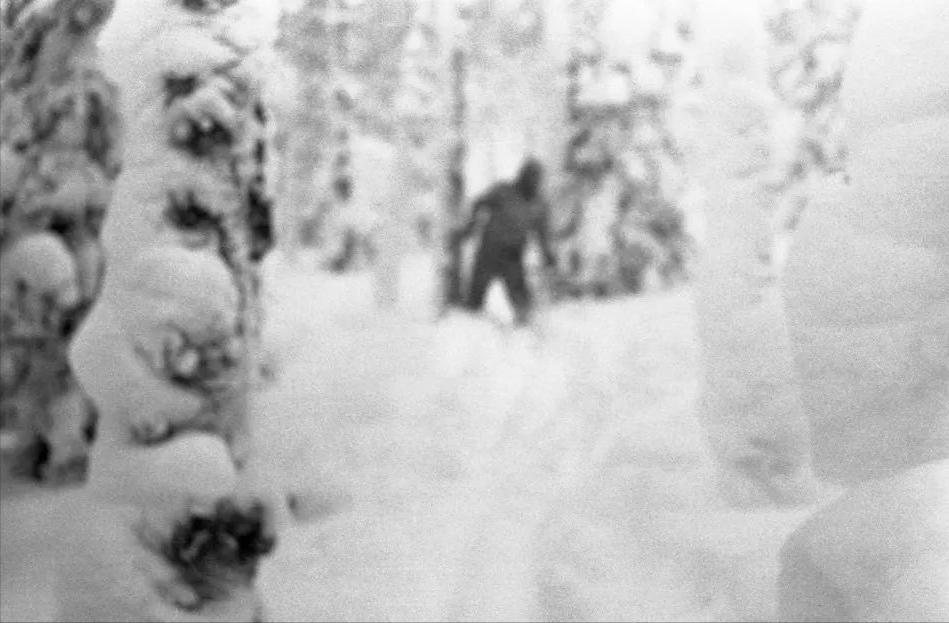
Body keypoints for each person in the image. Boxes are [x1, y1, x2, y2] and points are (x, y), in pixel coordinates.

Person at [453, 158, 556, 325]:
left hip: (513, 255)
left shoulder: (539, 204)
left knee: (522, 302)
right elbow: (479, 203)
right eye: (530, 177)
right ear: (522, 176)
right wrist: (470, 228)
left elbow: (542, 233)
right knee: (474, 299)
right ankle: (467, 329)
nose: (533, 182)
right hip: (490, 250)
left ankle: (525, 330)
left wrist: (548, 255)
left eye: (536, 179)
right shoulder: (503, 191)